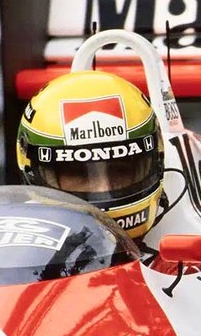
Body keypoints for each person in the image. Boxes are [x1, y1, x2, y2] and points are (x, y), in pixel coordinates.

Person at [15, 70, 165, 241]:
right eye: (79, 173)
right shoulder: (15, 253)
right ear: (31, 172)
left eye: (121, 171)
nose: (103, 189)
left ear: (158, 164)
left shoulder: (192, 246)